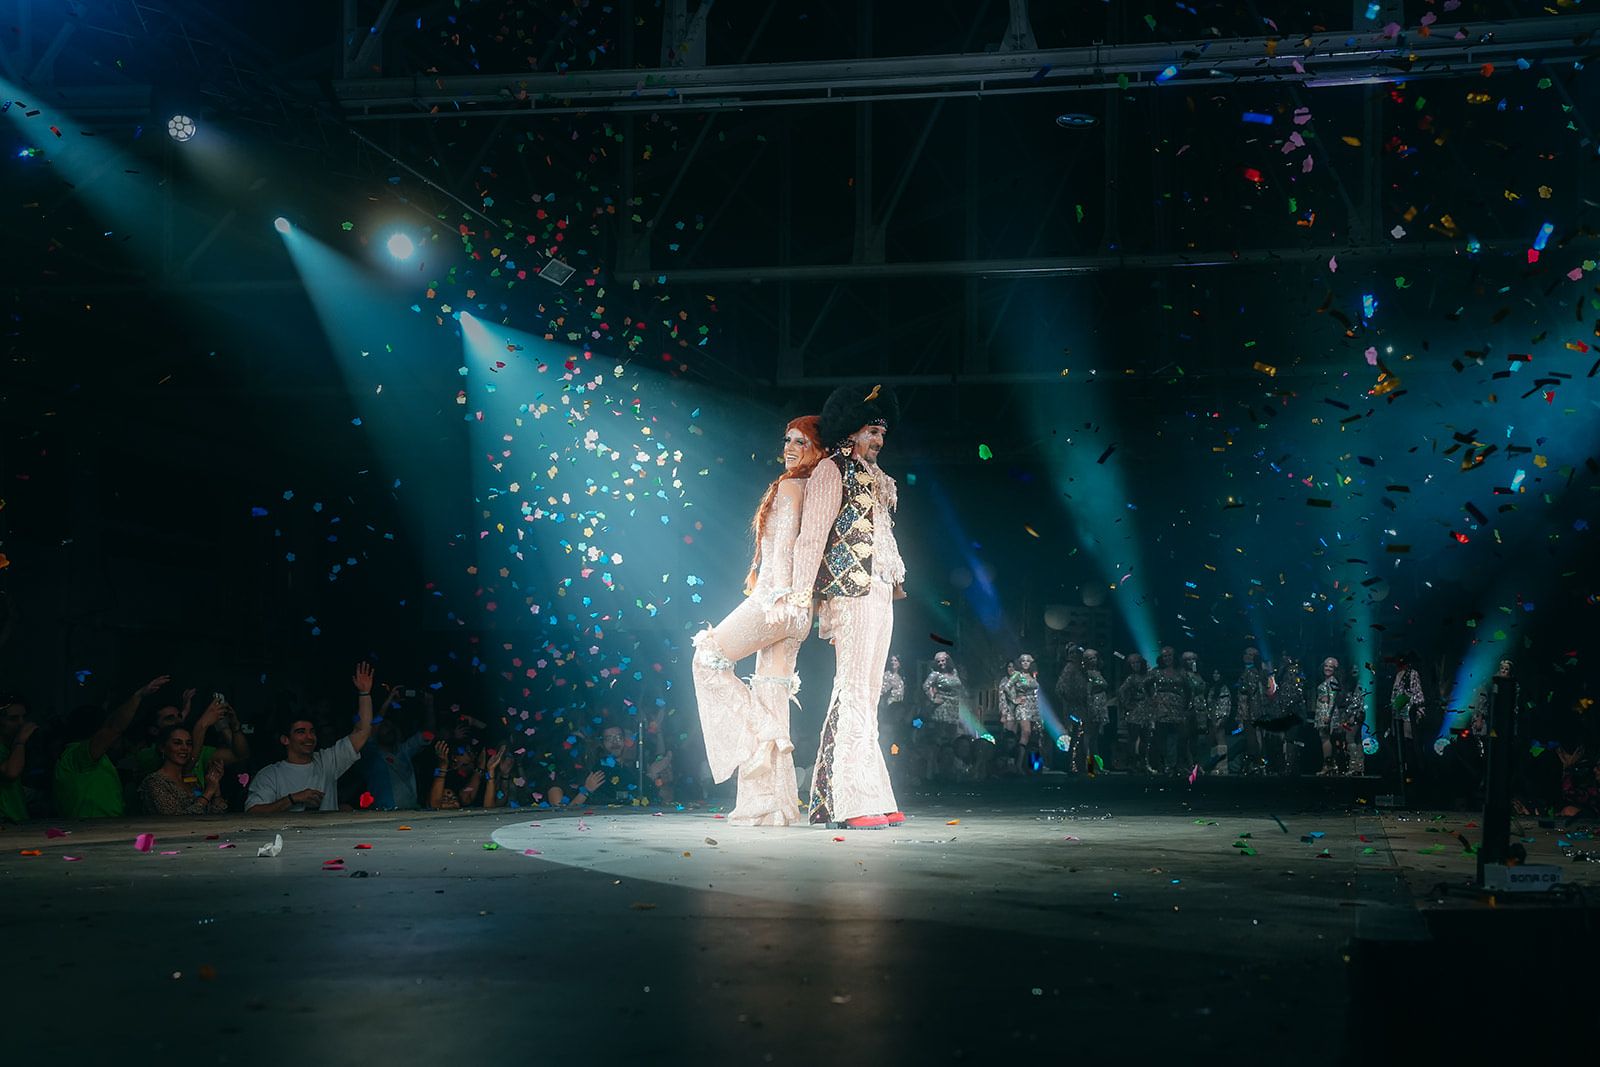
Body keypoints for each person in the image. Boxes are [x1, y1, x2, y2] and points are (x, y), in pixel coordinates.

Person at [691, 415, 823, 826]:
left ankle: (767, 729)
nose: (789, 447)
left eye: (800, 441)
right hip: (801, 609)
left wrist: (775, 599)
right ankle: (771, 805)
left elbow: (785, 549)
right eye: (787, 439)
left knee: (708, 655)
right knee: (770, 691)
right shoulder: (818, 490)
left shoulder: (790, 487)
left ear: (816, 448)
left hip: (776, 600)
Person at [787, 384, 907, 830]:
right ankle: (845, 800)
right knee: (854, 688)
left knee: (869, 693)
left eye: (881, 433)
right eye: (872, 431)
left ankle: (871, 791)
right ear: (852, 430)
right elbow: (812, 537)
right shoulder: (830, 471)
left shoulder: (877, 480)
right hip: (849, 593)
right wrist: (802, 597)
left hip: (879, 588)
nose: (878, 440)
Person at [246, 662, 376, 813]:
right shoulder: (270, 775)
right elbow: (252, 812)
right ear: (285, 739)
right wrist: (293, 799)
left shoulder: (327, 762)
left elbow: (362, 731)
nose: (309, 737)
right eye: (301, 732)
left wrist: (364, 693)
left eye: (312, 731)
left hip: (329, 837)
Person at [54, 675, 171, 820]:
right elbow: (113, 727)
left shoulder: (91, 758)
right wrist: (138, 696)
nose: (116, 740)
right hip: (89, 831)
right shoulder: (77, 755)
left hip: (102, 827)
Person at [139, 725, 228, 815]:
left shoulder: (191, 780)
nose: (184, 748)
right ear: (162, 748)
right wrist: (208, 792)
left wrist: (215, 785)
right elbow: (176, 821)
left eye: (188, 744)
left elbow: (214, 815)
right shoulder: (154, 782)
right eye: (177, 743)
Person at [1001, 654, 1043, 772]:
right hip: (1023, 706)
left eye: (1028, 661)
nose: (1025, 663)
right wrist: (1015, 699)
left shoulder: (1032, 675)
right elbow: (1007, 687)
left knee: (1034, 735)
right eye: (1023, 661)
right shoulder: (1017, 675)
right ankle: (1018, 765)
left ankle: (1031, 765)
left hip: (1034, 706)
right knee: (1026, 733)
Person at [1, 696, 37, 822]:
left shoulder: (8, 748)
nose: (21, 723)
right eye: (13, 719)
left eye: (23, 717)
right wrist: (20, 742)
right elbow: (11, 772)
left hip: (16, 822)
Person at [1118, 653, 1154, 773]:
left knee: (1146, 738)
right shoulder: (1131, 678)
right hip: (1135, 711)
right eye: (1132, 663)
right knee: (1133, 738)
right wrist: (1127, 704)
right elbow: (1121, 691)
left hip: (1148, 710)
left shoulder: (1148, 676)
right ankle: (1132, 763)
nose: (1135, 665)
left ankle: (1144, 762)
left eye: (1137, 663)